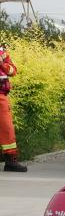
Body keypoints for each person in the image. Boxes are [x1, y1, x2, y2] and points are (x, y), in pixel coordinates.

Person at [0, 42, 27, 172]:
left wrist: (2, 64)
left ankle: (10, 161)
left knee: (7, 128)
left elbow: (13, 70)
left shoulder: (2, 53)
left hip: (1, 96)